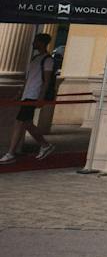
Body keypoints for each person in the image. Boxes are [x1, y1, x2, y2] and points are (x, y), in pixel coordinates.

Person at [0, 33, 58, 163]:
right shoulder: (35, 58)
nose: (33, 43)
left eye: (36, 41)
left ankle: (12, 152)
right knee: (25, 123)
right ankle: (43, 145)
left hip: (34, 95)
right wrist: (20, 93)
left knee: (21, 122)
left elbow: (46, 80)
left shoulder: (47, 60)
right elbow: (29, 78)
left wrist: (41, 97)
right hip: (28, 94)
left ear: (42, 43)